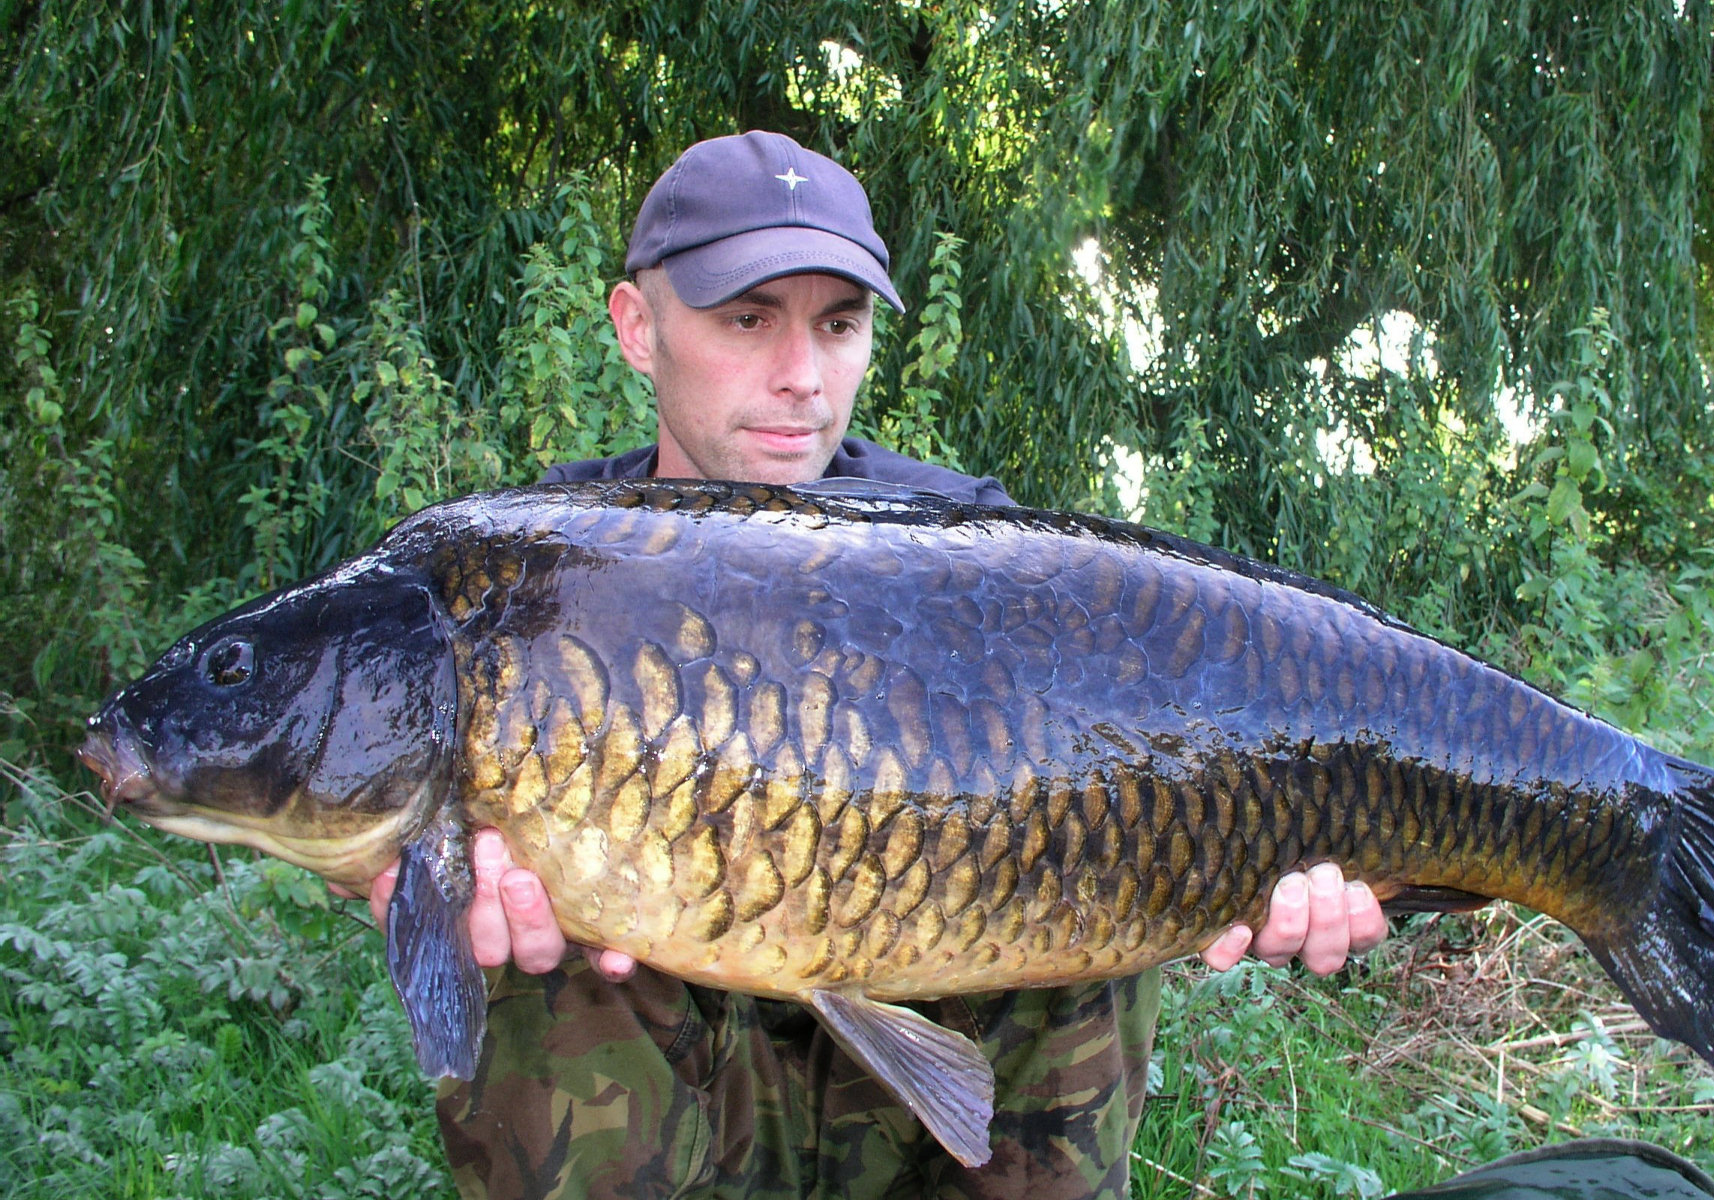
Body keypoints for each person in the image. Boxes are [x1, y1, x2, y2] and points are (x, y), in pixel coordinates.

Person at [347, 131, 1388, 1199]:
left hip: (936, 1023)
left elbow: (1201, 725)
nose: (800, 378)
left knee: (1083, 843)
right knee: (526, 913)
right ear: (636, 326)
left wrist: (1279, 849)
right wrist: (403, 877)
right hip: (679, 1064)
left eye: (836, 326)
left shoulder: (979, 548)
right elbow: (370, 803)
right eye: (748, 320)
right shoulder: (533, 573)